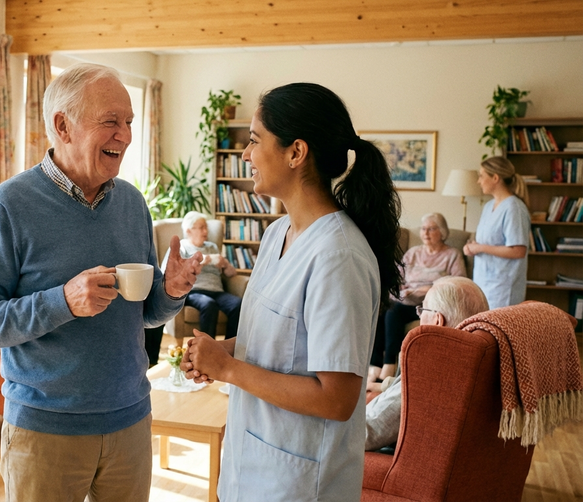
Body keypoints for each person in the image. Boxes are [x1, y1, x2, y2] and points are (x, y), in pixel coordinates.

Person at [0, 63, 202, 502]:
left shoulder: (132, 204)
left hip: (130, 421)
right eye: (111, 121)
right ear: (63, 126)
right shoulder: (8, 206)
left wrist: (171, 291)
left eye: (129, 122)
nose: (125, 135)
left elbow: (145, 314)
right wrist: (62, 302)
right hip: (44, 432)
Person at [182, 82, 402, 501]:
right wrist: (223, 351)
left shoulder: (339, 256)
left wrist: (229, 369)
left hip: (299, 482)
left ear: (296, 152)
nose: (246, 154)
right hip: (251, 464)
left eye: (255, 140)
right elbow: (281, 342)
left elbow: (337, 398)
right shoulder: (277, 233)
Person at [365, 276, 489, 450]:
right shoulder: (479, 357)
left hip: (385, 457)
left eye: (422, 309)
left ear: (437, 320)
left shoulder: (430, 371)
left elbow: (365, 434)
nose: (420, 315)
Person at [368, 212, 466, 385]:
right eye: (423, 229)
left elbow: (459, 283)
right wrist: (400, 289)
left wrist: (426, 290)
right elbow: (396, 278)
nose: (425, 233)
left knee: (393, 312)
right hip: (405, 299)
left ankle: (389, 365)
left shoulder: (452, 255)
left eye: (431, 229)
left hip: (431, 303)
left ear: (442, 232)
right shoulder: (413, 253)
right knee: (381, 307)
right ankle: (375, 364)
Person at [161, 211, 241, 340]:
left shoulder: (212, 247)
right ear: (189, 231)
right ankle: (205, 346)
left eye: (206, 227)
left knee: (237, 304)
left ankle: (228, 346)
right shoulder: (181, 247)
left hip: (217, 291)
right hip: (193, 291)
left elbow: (231, 273)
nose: (206, 231)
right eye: (202, 228)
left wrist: (225, 263)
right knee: (209, 304)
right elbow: (166, 271)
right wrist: (200, 261)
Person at [463, 156, 531, 309]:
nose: (478, 181)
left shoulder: (514, 208)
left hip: (503, 288)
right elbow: (489, 241)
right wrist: (473, 247)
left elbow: (518, 250)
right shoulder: (488, 206)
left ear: (495, 178)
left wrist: (480, 248)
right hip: (483, 283)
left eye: (481, 176)